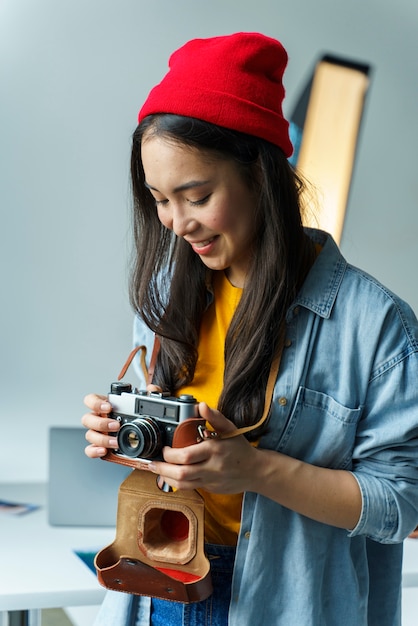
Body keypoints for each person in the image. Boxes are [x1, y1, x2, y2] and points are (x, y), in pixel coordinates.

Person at [82, 32, 418, 626]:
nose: (176, 223)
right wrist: (125, 437)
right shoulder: (168, 295)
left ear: (262, 175)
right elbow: (172, 457)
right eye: (159, 199)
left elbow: (401, 506)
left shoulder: (375, 324)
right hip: (163, 580)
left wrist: (255, 468)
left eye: (197, 195)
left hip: (290, 600)